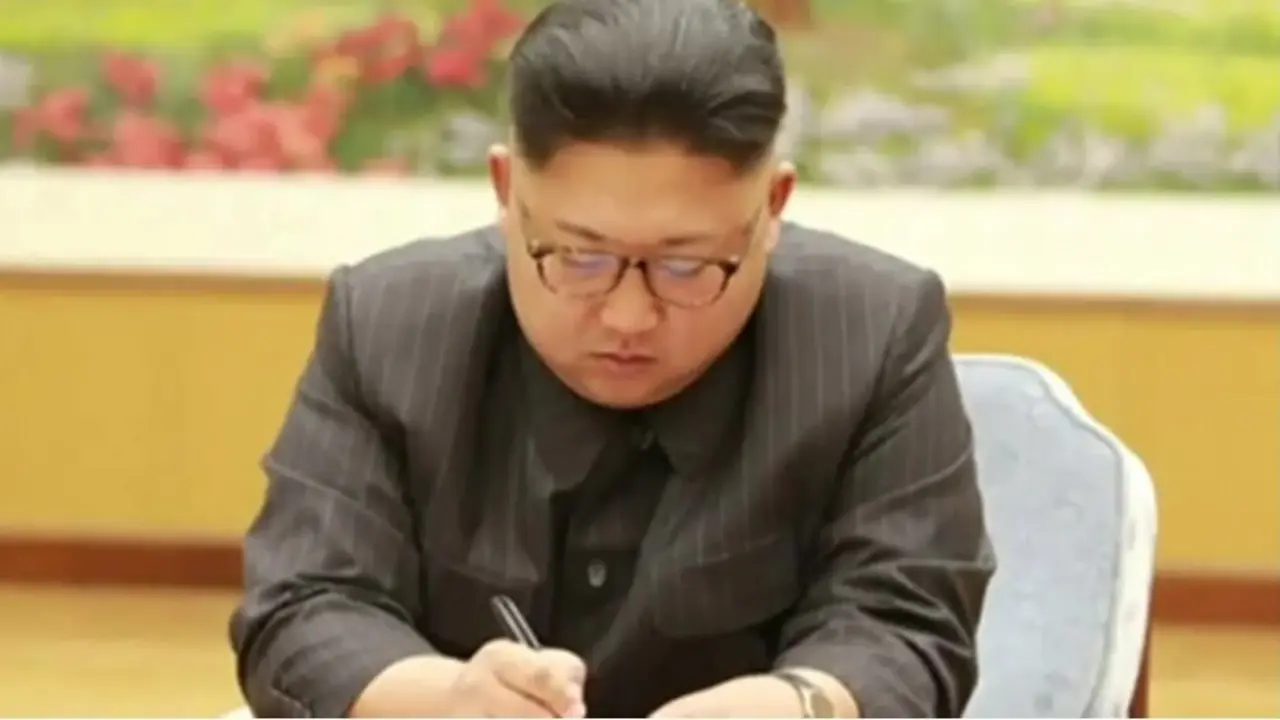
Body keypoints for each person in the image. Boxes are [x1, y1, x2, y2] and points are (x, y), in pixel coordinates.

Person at [229, 0, 995, 716]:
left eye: (687, 265)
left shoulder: (875, 332)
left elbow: (906, 622)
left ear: (772, 208)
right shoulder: (386, 324)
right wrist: (449, 698)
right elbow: (304, 606)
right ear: (505, 189)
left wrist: (798, 704)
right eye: (579, 256)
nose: (629, 317)